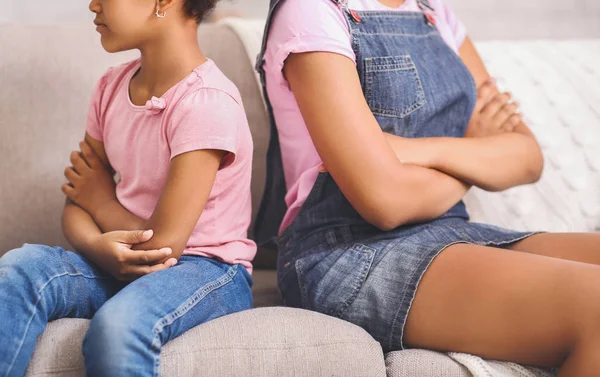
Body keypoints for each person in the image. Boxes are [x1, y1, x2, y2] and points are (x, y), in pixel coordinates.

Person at [254, 0, 600, 374]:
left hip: (449, 232)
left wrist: (416, 152)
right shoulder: (312, 11)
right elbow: (385, 201)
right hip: (346, 250)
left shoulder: (433, 12)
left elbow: (528, 157)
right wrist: (477, 156)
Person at [0, 0, 256, 376]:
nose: (93, 5)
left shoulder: (206, 103)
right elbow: (76, 201)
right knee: (19, 269)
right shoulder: (110, 87)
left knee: (118, 326)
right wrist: (96, 247)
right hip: (122, 254)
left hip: (205, 268)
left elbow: (163, 246)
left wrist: (101, 202)